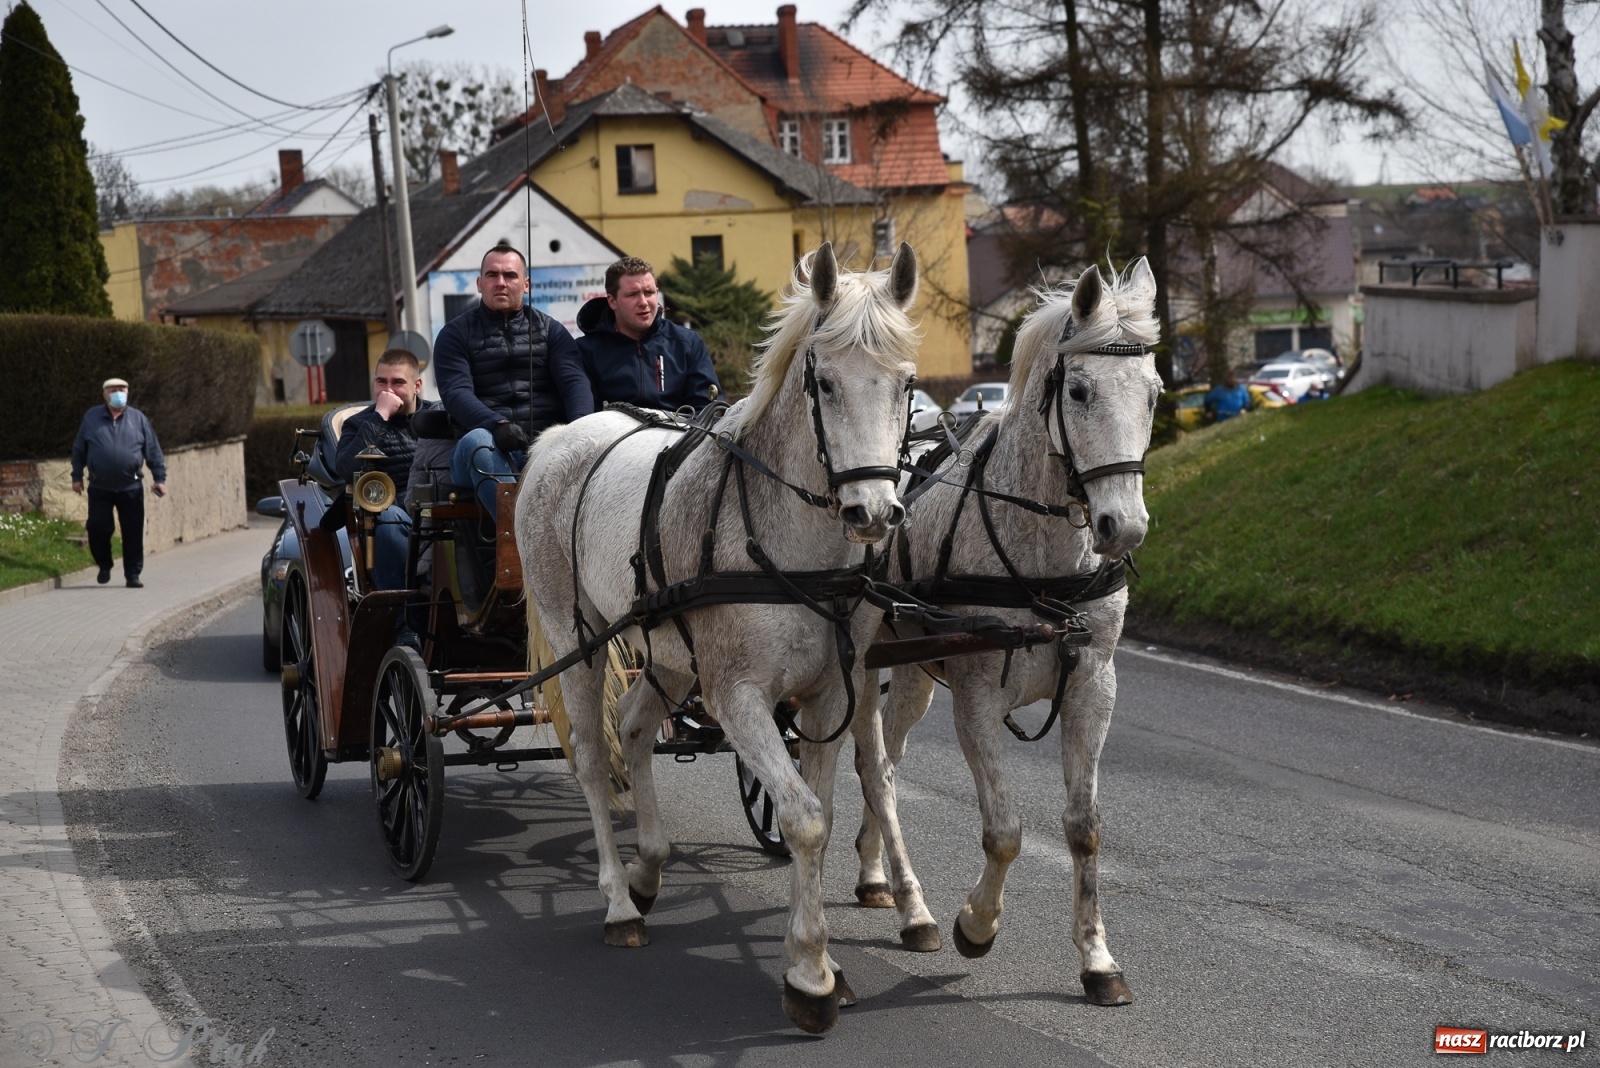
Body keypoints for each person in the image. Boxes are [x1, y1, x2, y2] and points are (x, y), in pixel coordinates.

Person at [433, 242, 592, 513]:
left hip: (544, 450)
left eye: (510, 275)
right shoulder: (454, 335)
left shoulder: (551, 331)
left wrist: (579, 430)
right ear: (479, 283)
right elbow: (456, 393)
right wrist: (496, 425)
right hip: (482, 451)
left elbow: (575, 383)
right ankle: (518, 535)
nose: (501, 283)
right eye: (492, 275)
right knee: (478, 442)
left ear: (526, 284)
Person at [334, 349, 439, 591]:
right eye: (382, 382)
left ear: (417, 385)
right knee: (387, 517)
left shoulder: (437, 416)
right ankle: (401, 609)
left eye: (398, 382)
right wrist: (380, 417)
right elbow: (346, 470)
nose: (388, 390)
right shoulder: (359, 424)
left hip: (437, 509)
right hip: (392, 516)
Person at [576, 256, 720, 413]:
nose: (643, 302)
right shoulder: (585, 352)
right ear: (612, 301)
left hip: (680, 428)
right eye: (632, 294)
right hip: (611, 428)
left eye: (649, 292)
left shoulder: (688, 344)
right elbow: (585, 417)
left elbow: (708, 412)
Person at [70, 378, 167, 588]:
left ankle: (133, 574)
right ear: (105, 394)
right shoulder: (92, 418)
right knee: (97, 527)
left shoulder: (138, 419)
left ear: (128, 393)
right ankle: (104, 564)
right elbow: (79, 449)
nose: (118, 394)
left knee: (133, 532)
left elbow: (153, 450)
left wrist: (159, 479)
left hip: (130, 487)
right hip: (100, 487)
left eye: (122, 390)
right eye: (113, 390)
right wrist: (76, 476)